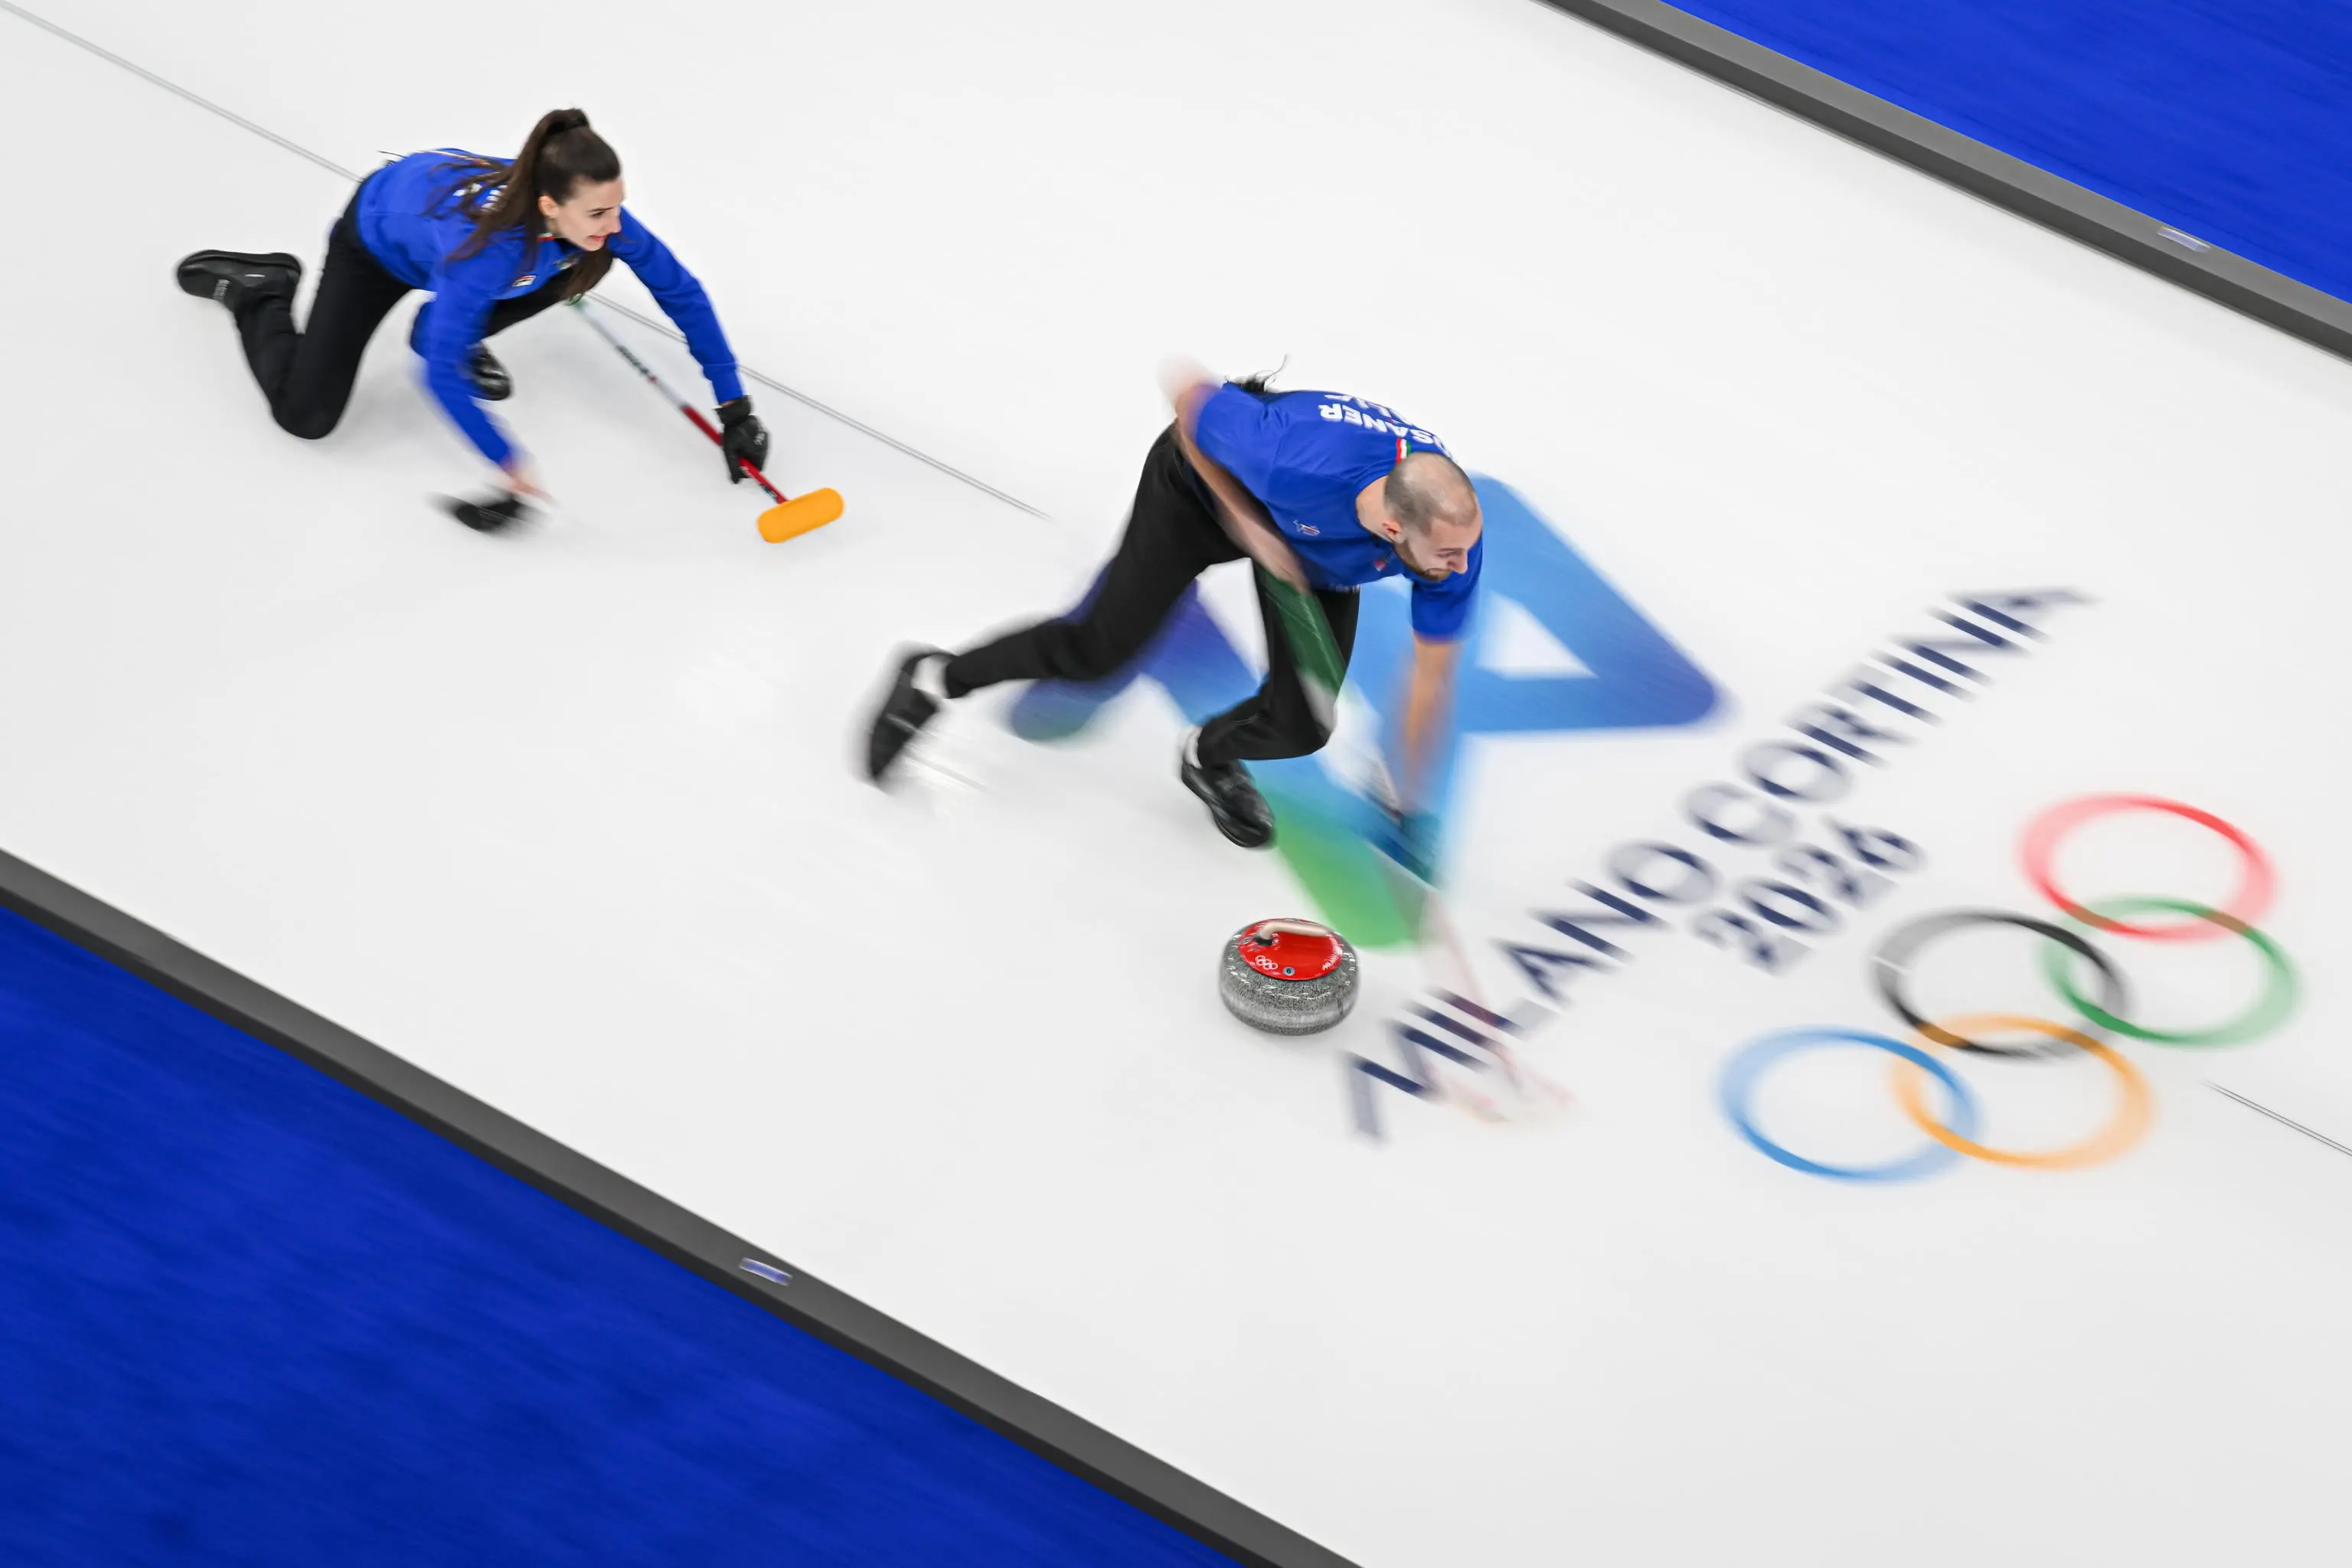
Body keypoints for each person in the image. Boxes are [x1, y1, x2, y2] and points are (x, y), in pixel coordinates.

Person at [862, 366, 1483, 851]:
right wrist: (1251, 526)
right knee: (1094, 654)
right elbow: (1188, 392)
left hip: (1313, 554)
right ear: (1394, 525)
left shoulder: (1449, 537)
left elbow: (1432, 674)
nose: (1461, 566)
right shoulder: (1293, 456)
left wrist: (1410, 790)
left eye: (1465, 549)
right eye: (1447, 555)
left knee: (1303, 724)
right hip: (1200, 498)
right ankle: (934, 677)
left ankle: (1206, 756)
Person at [175, 108, 767, 528]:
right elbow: (436, 373)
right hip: (376, 244)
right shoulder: (487, 253)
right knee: (305, 416)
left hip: (455, 250)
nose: (616, 225)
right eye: (598, 212)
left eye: (618, 207)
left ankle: (454, 324)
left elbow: (681, 292)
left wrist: (734, 404)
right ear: (549, 205)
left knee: (591, 261)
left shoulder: (588, 221)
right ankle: (262, 292)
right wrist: (506, 461)